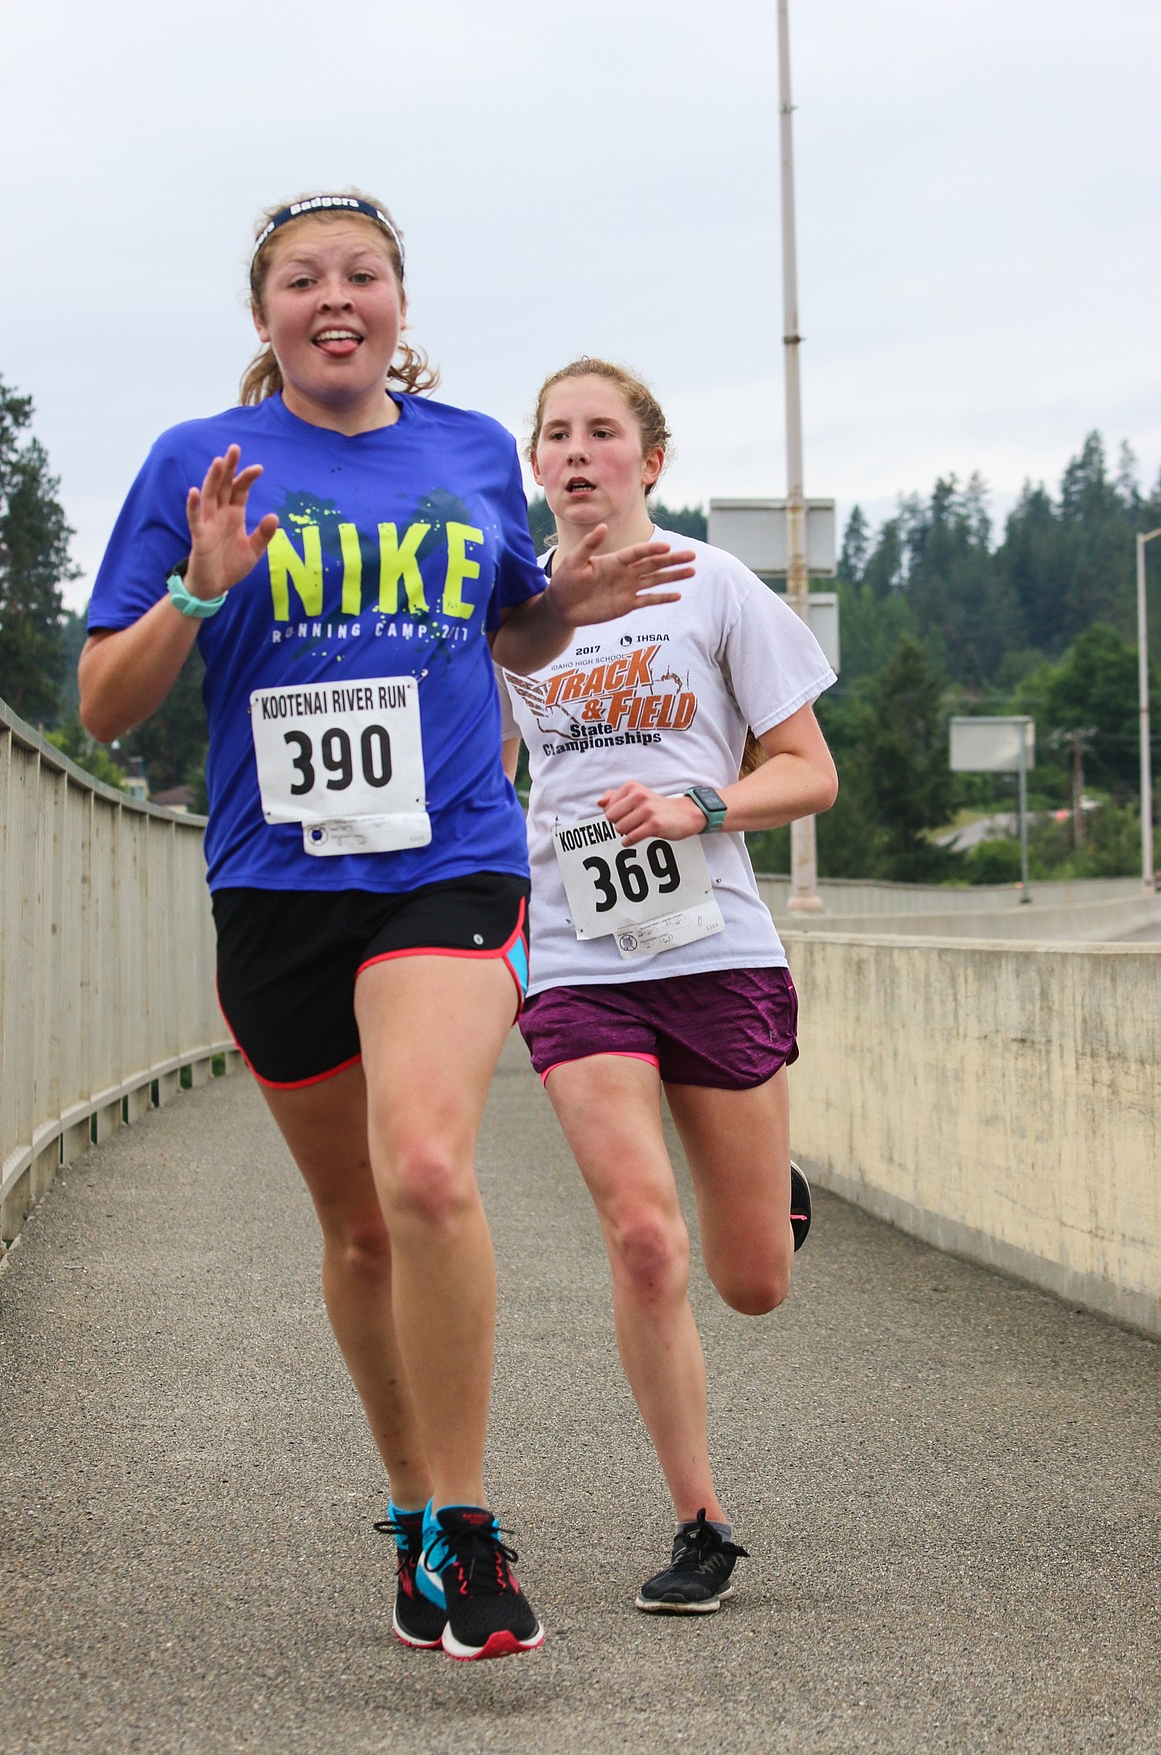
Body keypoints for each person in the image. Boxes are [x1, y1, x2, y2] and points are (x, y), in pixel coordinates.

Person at [78, 200, 693, 1661]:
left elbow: (512, 631)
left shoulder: (475, 449)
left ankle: (470, 1522)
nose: (334, 298)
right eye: (304, 280)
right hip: (278, 889)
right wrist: (192, 587)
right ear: (265, 315)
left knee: (424, 1163)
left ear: (401, 304)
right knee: (356, 1225)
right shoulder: (196, 464)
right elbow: (106, 702)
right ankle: (414, 1507)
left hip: (448, 865)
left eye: (362, 275)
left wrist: (567, 604)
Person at [498, 358, 838, 1614]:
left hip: (717, 950)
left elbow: (810, 771)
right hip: (580, 962)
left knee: (750, 1280)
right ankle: (702, 1521)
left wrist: (704, 804)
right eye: (555, 435)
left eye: (603, 432)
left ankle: (769, 1200)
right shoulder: (513, 613)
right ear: (535, 465)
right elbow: (472, 774)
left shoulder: (717, 586)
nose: (577, 452)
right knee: (646, 1238)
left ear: (652, 458)